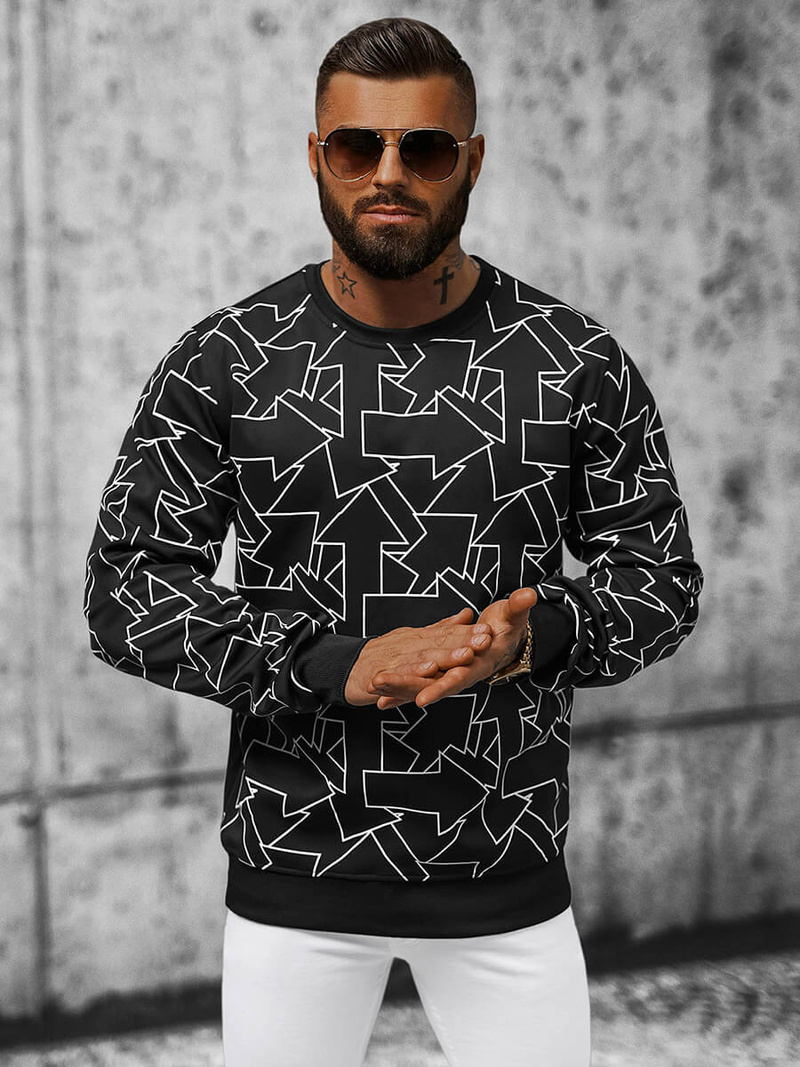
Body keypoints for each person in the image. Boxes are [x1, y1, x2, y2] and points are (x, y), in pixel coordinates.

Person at [83, 16, 703, 1067]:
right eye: (354, 145)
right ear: (314, 154)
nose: (387, 173)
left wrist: (541, 632)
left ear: (472, 158)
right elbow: (126, 592)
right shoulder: (227, 359)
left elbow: (662, 582)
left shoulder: (570, 359)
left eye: (424, 148)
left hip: (503, 872)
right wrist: (339, 663)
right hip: (294, 877)